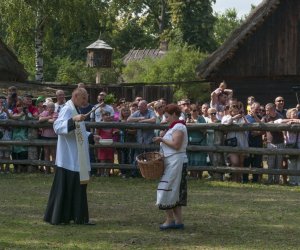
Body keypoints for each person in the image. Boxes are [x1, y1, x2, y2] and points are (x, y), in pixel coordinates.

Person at [44, 88, 97, 225]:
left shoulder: (76, 109)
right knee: (67, 188)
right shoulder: (68, 109)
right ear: (76, 96)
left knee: (78, 188)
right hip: (69, 157)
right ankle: (61, 217)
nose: (86, 101)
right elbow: (57, 127)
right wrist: (73, 120)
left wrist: (91, 136)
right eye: (84, 98)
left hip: (76, 156)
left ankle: (79, 217)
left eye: (86, 98)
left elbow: (79, 131)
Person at [153, 104, 188, 230]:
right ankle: (178, 221)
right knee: (175, 191)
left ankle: (170, 219)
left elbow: (176, 145)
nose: (166, 119)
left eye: (167, 116)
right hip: (172, 161)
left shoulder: (179, 126)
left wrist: (162, 139)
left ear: (174, 114)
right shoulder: (173, 126)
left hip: (176, 162)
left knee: (166, 189)